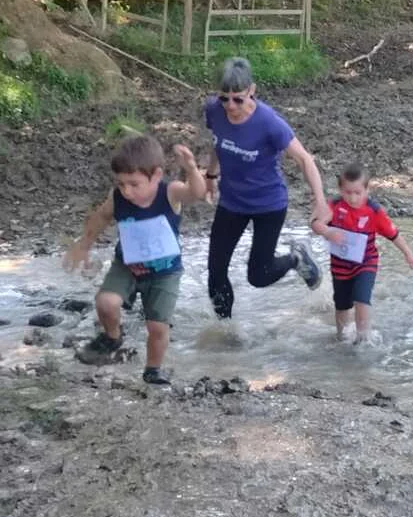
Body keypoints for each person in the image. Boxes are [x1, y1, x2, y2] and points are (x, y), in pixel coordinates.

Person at [63, 134, 206, 384]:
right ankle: (112, 337)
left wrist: (192, 169)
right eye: (121, 184)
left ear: (157, 175)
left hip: (165, 273)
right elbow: (101, 217)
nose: (126, 191)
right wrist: (83, 245)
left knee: (157, 327)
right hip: (126, 266)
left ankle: (153, 370)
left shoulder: (169, 192)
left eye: (134, 184)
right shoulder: (118, 197)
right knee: (105, 302)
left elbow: (196, 193)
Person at [204, 57, 330, 319]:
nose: (230, 106)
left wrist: (320, 201)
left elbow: (304, 159)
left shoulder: (269, 123)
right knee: (215, 271)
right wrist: (211, 175)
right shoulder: (214, 110)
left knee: (258, 276)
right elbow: (217, 142)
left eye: (238, 99)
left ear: (252, 90)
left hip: (268, 205)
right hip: (231, 202)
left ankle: (296, 258)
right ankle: (225, 329)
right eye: (224, 98)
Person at [311, 163, 413, 344]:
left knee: (361, 300)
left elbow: (393, 234)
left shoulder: (374, 211)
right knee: (342, 306)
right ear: (340, 190)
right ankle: (341, 338)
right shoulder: (334, 206)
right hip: (340, 267)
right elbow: (315, 223)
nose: (353, 198)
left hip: (366, 263)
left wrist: (409, 254)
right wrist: (327, 231)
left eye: (358, 193)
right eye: (348, 192)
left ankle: (363, 339)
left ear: (367, 190)